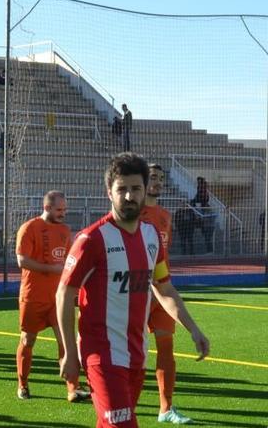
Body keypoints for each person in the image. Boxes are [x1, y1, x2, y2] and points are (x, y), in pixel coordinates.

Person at [57, 153, 210, 428]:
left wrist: (193, 328)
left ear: (145, 189)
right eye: (122, 189)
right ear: (109, 193)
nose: (129, 197)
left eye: (135, 188)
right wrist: (69, 352)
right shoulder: (91, 239)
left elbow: (163, 287)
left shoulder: (151, 235)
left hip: (136, 354)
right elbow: (64, 293)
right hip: (101, 355)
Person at [14, 191, 89, 402]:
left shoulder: (65, 230)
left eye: (65, 210)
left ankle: (72, 389)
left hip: (58, 297)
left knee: (65, 341)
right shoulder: (29, 228)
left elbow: (67, 261)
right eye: (59, 210)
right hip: (32, 296)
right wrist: (52, 268)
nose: (63, 213)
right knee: (28, 340)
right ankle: (23, 383)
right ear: (46, 208)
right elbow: (22, 261)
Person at [139, 163, 192, 424]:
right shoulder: (132, 213)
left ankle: (166, 409)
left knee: (166, 347)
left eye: (161, 178)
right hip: (136, 292)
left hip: (162, 289)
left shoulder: (165, 215)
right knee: (131, 351)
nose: (158, 182)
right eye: (153, 178)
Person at [191, 177, 214, 253]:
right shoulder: (201, 186)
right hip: (202, 202)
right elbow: (199, 195)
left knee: (195, 205)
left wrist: (196, 200)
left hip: (202, 202)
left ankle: (199, 219)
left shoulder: (202, 186)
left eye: (198, 181)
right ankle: (198, 219)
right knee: (193, 204)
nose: (197, 182)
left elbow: (202, 196)